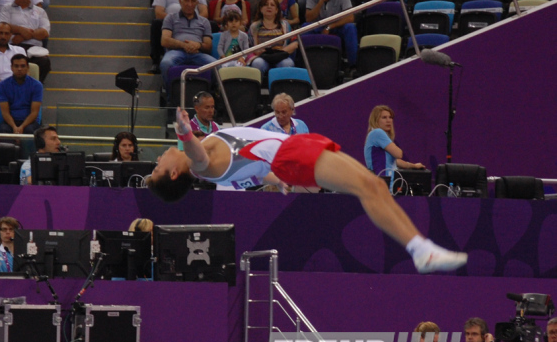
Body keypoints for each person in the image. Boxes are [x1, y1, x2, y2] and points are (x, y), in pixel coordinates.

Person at [148, 108, 468, 274]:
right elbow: (196, 154)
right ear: (175, 173)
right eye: (158, 166)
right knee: (367, 187)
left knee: (374, 184)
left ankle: (420, 247)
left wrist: (276, 180)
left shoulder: (216, 174)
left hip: (291, 152)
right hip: (291, 155)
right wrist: (184, 131)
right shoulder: (202, 163)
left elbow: (255, 173)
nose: (159, 157)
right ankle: (419, 250)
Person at [151, 0, 207, 73]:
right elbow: (158, 13)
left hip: (194, 21)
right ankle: (156, 61)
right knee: (156, 24)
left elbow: (204, 12)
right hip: (171, 22)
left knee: (211, 25)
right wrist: (176, 20)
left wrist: (194, 20)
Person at [160, 0, 215, 93]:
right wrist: (184, 45)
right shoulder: (170, 18)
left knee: (217, 66)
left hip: (197, 53)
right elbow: (165, 40)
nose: (190, 4)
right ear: (180, 1)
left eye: (193, 1)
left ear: (197, 3)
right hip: (176, 52)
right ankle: (170, 96)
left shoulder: (204, 22)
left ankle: (209, 95)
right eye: (186, 0)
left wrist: (198, 45)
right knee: (165, 63)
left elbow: (208, 46)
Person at [0, 0, 50, 82]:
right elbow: (3, 28)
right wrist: (21, 29)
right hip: (14, 47)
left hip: (34, 49)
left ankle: (34, 88)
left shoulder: (40, 11)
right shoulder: (6, 9)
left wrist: (25, 35)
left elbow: (44, 32)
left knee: (45, 62)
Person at [364, 105, 426, 191]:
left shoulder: (377, 136)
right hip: (382, 185)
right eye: (384, 117)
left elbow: (396, 161)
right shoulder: (377, 133)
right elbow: (398, 154)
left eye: (390, 117)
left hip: (388, 185)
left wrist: (414, 166)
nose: (388, 120)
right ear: (376, 120)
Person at [304, 0, 357, 67]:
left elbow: (350, 17)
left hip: (337, 26)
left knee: (350, 27)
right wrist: (321, 1)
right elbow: (308, 18)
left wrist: (330, 26)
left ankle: (353, 65)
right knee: (304, 28)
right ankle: (304, 64)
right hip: (318, 25)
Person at [0, 53, 42, 156]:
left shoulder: (37, 85)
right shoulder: (2, 85)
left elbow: (34, 112)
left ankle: (29, 161)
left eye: (22, 66)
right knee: (3, 130)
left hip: (30, 122)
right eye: (16, 66)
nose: (19, 69)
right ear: (11, 68)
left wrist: (21, 127)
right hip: (10, 122)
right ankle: (8, 163)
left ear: (27, 67)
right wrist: (14, 127)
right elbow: (5, 112)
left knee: (30, 130)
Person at [247, 0, 296, 75]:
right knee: (257, 64)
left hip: (281, 56)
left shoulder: (285, 25)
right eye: (265, 5)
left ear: (277, 10)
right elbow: (250, 46)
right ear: (261, 9)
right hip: (262, 56)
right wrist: (259, 52)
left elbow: (295, 43)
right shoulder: (254, 27)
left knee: (287, 64)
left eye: (272, 5)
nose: (269, 7)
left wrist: (280, 53)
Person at [0, 22, 26, 88]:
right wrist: (10, 85)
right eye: (1, 33)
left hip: (20, 86)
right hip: (2, 87)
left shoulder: (20, 50)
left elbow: (26, 73)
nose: (3, 36)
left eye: (6, 33)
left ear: (10, 35)